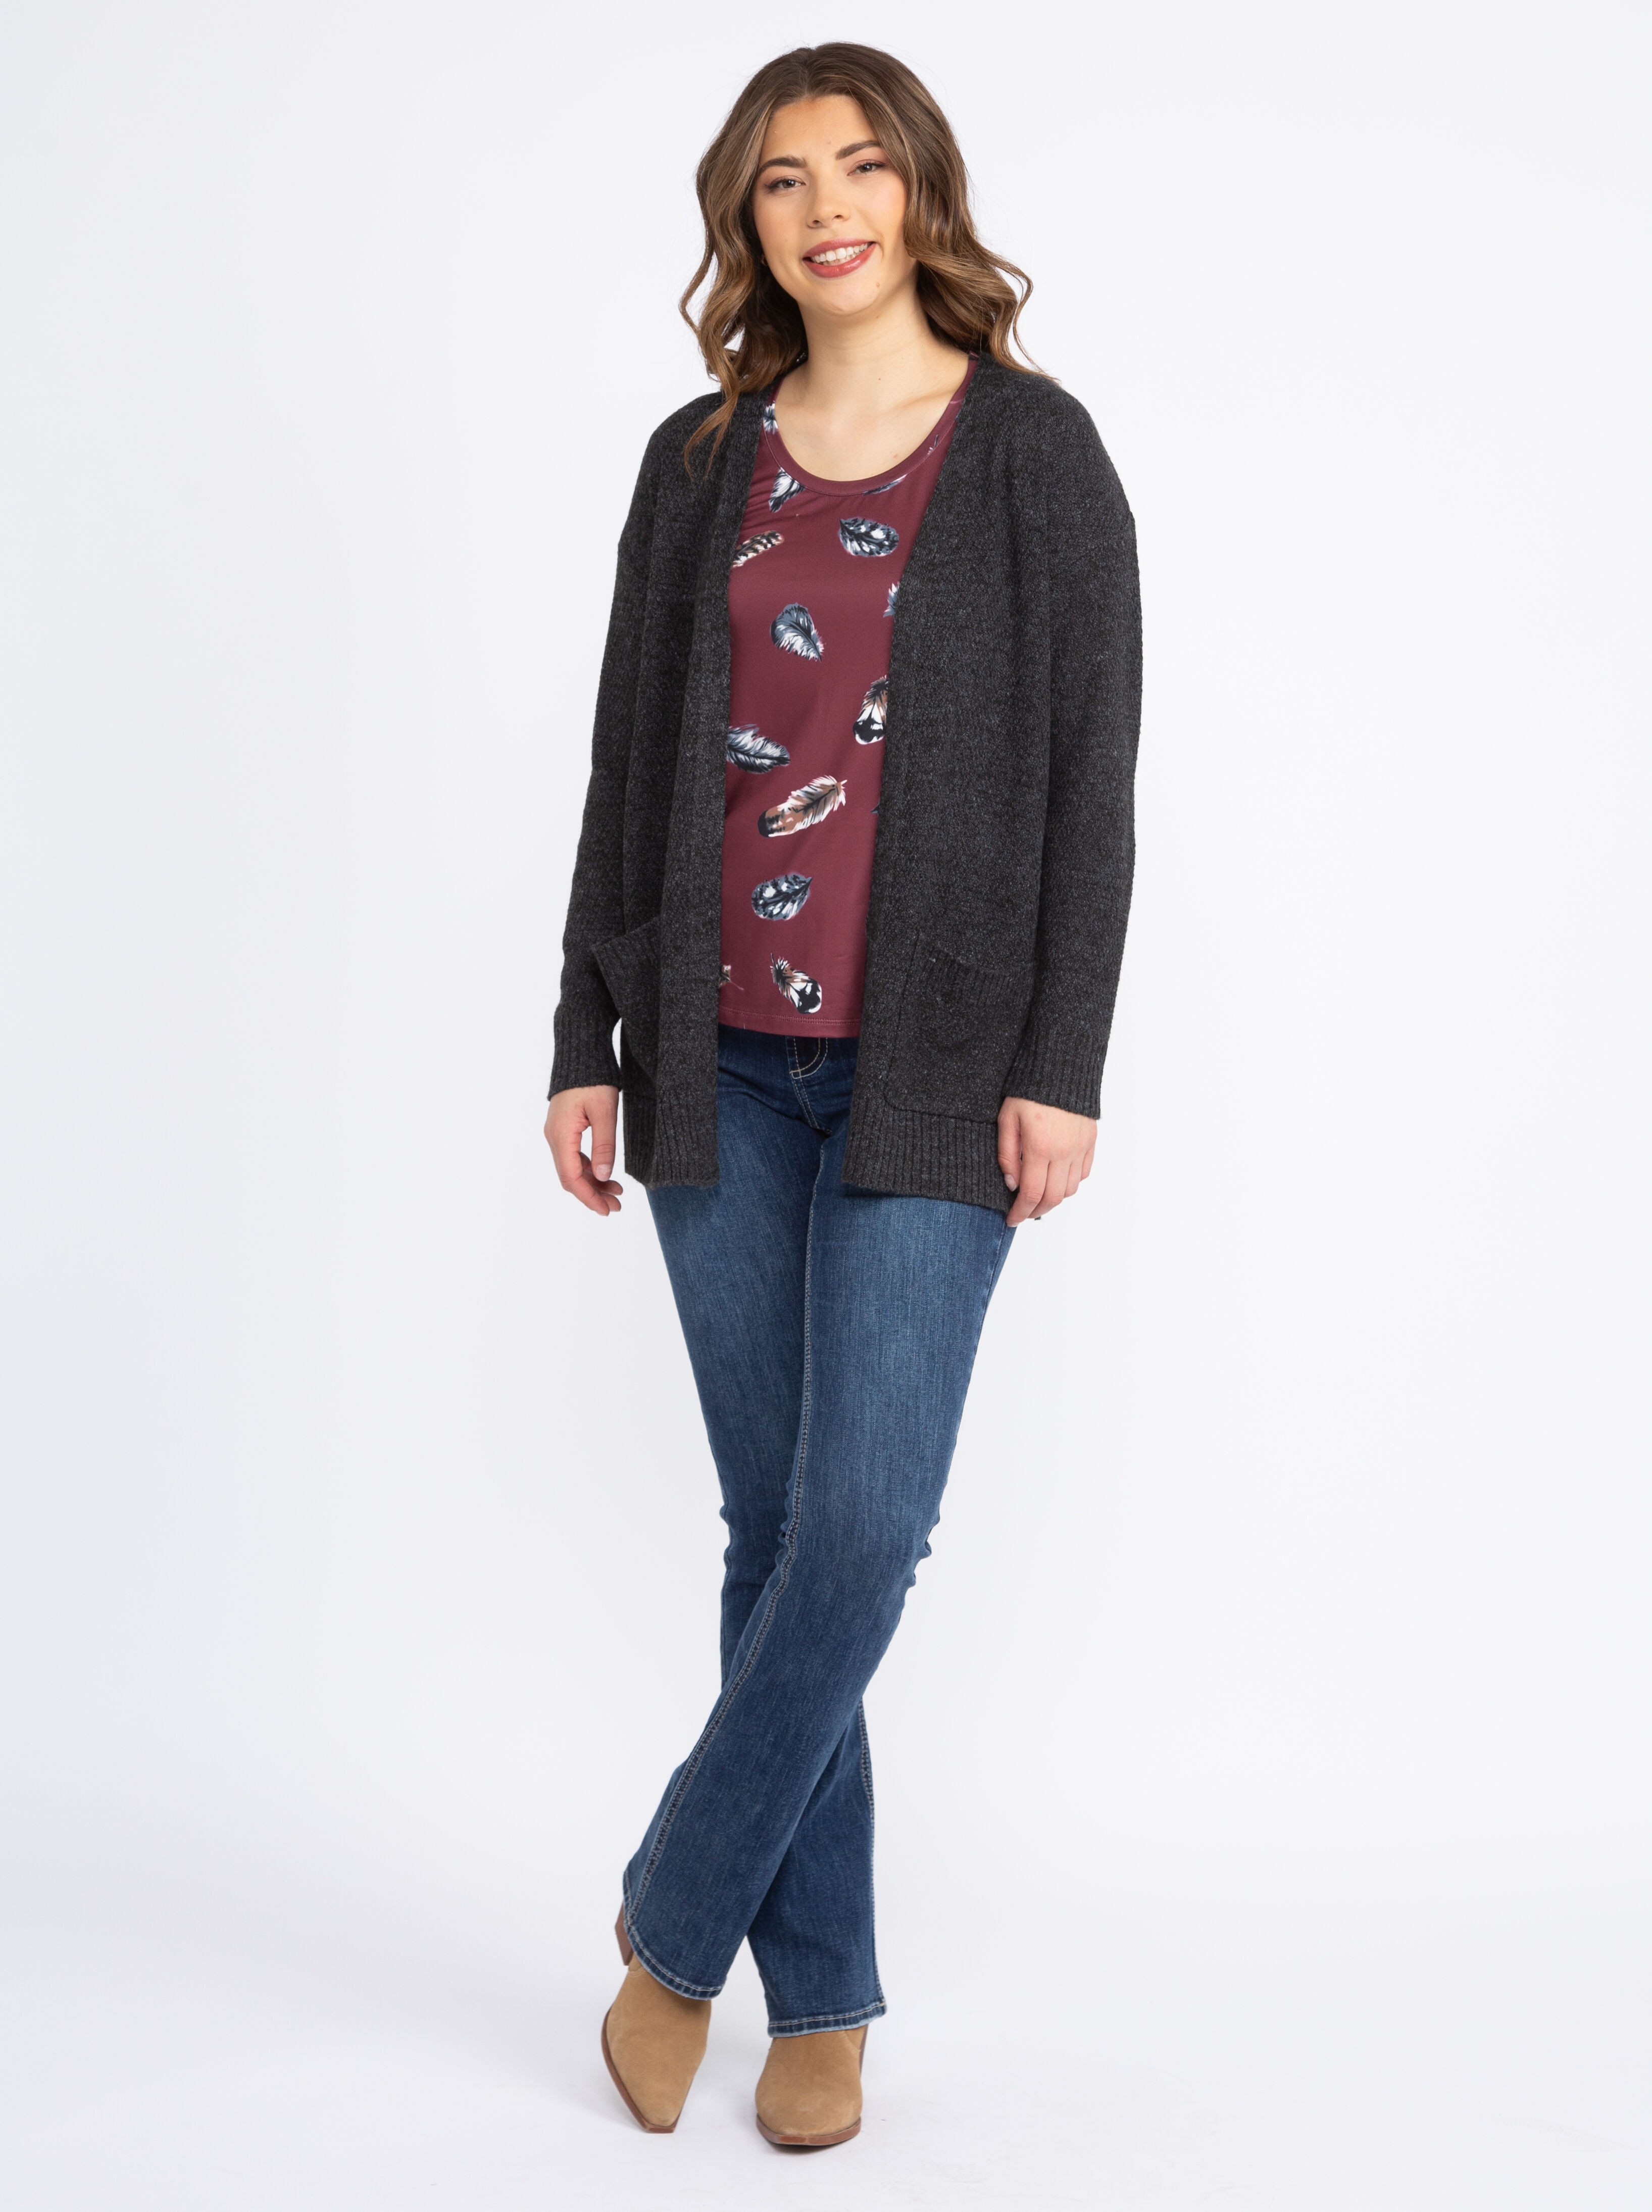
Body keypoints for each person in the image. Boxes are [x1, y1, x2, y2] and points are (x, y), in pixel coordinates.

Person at [543, 41, 1140, 2149]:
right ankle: (825, 2002)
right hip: (709, 1056)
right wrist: (584, 1033)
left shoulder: (1034, 453)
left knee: (861, 1530)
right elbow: (629, 758)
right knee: (774, 1530)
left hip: (936, 1071)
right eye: (784, 178)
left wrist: (1060, 1065)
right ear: (749, 217)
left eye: (861, 166)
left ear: (920, 192)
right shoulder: (696, 460)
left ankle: (673, 1918)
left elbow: (1092, 780)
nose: (827, 209)